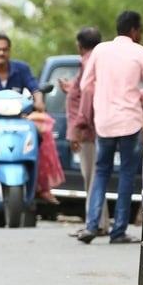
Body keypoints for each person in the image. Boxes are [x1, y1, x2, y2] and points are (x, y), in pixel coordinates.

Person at [75, 11, 143, 244]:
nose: (141, 34)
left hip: (104, 122)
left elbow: (86, 84)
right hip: (130, 121)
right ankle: (118, 231)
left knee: (101, 173)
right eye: (140, 30)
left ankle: (92, 225)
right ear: (134, 30)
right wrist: (135, 95)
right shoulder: (140, 52)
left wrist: (103, 98)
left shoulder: (100, 50)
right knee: (125, 174)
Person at [0, 33, 60, 204]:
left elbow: (35, 88)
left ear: (9, 51)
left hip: (19, 121)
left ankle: (38, 182)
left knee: (38, 136)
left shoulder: (21, 68)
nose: (1, 53)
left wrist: (38, 101)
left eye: (4, 49)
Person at [64, 26, 108, 237]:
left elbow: (88, 94)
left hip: (88, 130)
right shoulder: (96, 61)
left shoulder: (87, 61)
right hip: (93, 128)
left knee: (91, 176)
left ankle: (96, 223)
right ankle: (99, 221)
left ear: (79, 45)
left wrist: (78, 127)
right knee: (94, 177)